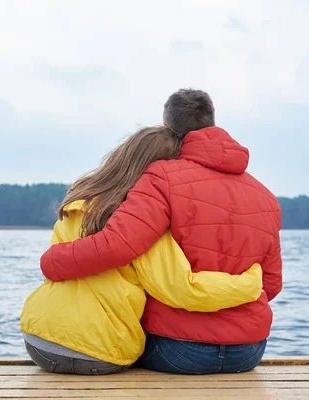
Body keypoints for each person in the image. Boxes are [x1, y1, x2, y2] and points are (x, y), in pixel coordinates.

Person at [40, 89, 283, 375]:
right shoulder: (265, 196)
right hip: (249, 351)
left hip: (177, 350)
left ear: (169, 126)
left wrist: (52, 261)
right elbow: (271, 284)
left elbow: (118, 244)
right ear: (212, 121)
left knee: (117, 347)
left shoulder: (162, 177)